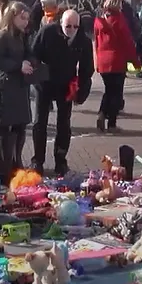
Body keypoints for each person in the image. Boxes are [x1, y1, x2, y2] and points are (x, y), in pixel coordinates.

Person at [30, 10, 93, 176]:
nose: (71, 29)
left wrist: (80, 88)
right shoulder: (48, 32)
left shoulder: (83, 40)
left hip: (66, 84)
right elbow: (34, 53)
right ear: (61, 24)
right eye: (68, 26)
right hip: (45, 83)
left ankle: (61, 160)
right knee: (39, 122)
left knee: (64, 124)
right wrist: (38, 74)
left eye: (75, 26)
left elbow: (88, 68)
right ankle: (37, 160)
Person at [0, 2, 35, 183]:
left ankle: (16, 166)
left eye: (27, 19)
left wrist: (31, 61)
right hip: (5, 90)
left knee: (20, 128)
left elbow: (29, 53)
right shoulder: (0, 37)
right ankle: (1, 173)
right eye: (22, 18)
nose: (25, 22)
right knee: (5, 132)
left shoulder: (22, 36)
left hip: (20, 88)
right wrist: (18, 65)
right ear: (12, 16)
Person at [94, 0, 140, 132]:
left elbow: (96, 43)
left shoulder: (99, 21)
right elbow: (128, 43)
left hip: (103, 60)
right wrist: (135, 62)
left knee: (108, 90)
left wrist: (96, 61)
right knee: (116, 93)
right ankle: (111, 124)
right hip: (117, 60)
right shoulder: (120, 20)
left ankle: (102, 113)